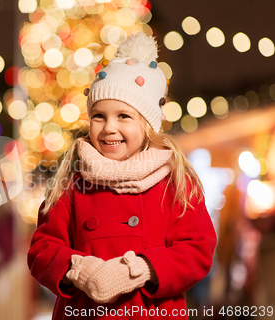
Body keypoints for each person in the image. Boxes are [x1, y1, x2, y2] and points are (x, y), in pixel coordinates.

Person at [27, 33, 217, 319]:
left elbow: (197, 250)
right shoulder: (73, 183)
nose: (108, 128)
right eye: (99, 116)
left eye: (124, 116)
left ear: (148, 123)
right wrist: (78, 268)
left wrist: (142, 269)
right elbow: (42, 249)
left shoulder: (174, 182)